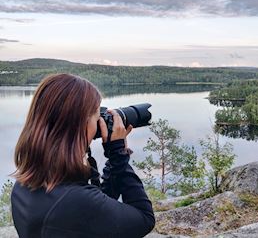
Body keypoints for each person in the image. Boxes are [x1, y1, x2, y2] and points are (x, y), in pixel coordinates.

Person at [10, 73, 155, 238]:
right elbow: (144, 219)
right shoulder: (75, 200)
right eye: (96, 116)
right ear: (81, 125)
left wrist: (116, 158)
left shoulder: (24, 185)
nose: (100, 121)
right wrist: (118, 152)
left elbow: (100, 206)